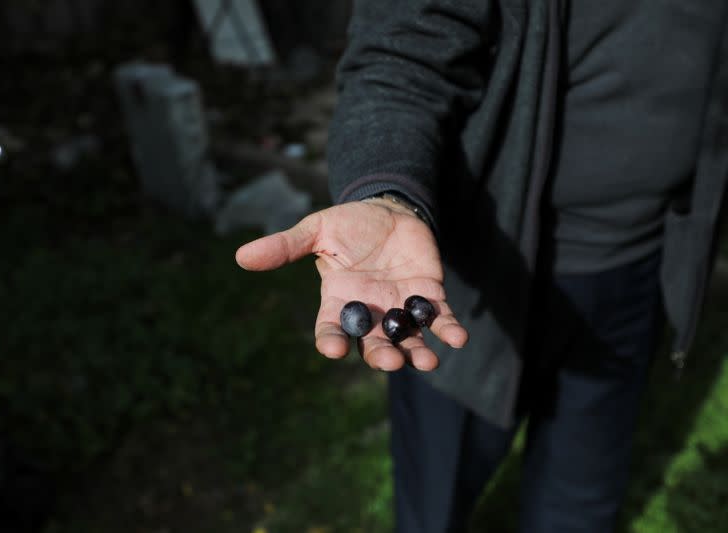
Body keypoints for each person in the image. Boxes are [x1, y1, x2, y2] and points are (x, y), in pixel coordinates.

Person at [236, 1, 728, 531]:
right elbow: (402, 51)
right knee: (438, 495)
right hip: (478, 275)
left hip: (637, 263)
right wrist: (386, 189)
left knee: (583, 493)